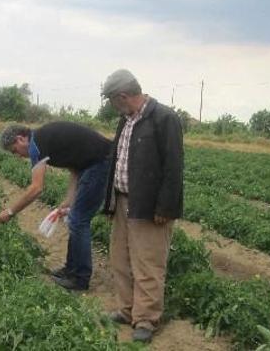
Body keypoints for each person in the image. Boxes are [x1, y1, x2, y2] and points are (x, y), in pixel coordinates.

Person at [100, 69, 183, 343]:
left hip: (148, 206)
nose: (112, 105)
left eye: (112, 99)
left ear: (122, 96)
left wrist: (166, 208)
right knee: (120, 259)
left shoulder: (164, 118)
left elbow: (174, 167)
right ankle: (126, 310)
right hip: (123, 200)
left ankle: (146, 318)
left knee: (148, 263)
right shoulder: (125, 120)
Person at [0, 122, 111, 291]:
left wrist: (10, 212)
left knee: (79, 221)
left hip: (101, 162)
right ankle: (71, 269)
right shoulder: (42, 139)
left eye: (15, 151)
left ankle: (80, 279)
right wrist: (68, 200)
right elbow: (75, 167)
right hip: (93, 164)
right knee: (75, 219)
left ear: (20, 139)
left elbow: (36, 188)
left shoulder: (36, 145)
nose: (19, 156)